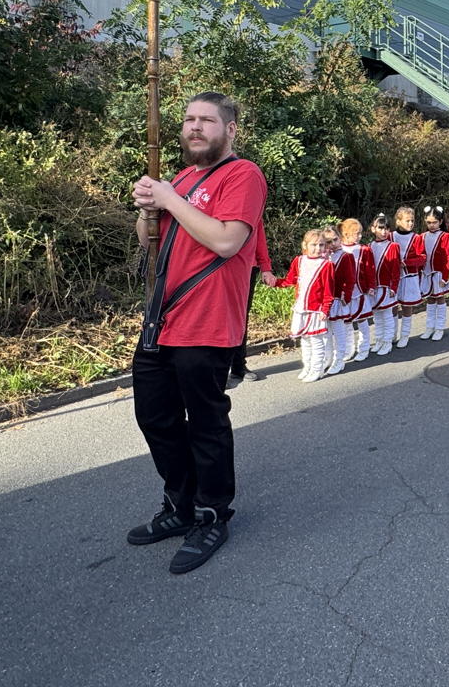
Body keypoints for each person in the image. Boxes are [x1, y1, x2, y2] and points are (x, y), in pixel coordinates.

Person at [127, 91, 268, 574]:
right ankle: (180, 505)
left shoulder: (242, 175)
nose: (194, 127)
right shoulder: (183, 178)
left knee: (206, 424)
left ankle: (211, 515)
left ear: (230, 129)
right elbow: (148, 240)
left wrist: (169, 198)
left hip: (208, 322)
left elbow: (227, 241)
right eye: (189, 119)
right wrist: (147, 206)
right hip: (161, 320)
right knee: (156, 418)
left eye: (207, 120)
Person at [227, 219, 276, 388]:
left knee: (240, 318)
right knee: (216, 317)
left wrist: (265, 267)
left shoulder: (249, 204)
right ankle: (216, 371)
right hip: (216, 265)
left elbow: (258, 232)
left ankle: (238, 366)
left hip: (247, 265)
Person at [283, 228, 334, 382]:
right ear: (305, 245)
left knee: (316, 341)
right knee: (304, 340)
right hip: (301, 307)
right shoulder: (299, 261)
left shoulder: (326, 265)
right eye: (313, 245)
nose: (317, 248)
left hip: (316, 310)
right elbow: (290, 280)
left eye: (321, 245)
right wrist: (274, 282)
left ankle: (317, 369)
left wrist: (325, 308)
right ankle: (307, 366)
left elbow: (328, 291)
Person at [338, 219, 375, 364]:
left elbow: (370, 269)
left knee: (362, 320)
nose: (359, 236)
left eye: (360, 233)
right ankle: (348, 349)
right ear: (346, 234)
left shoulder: (364, 250)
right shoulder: (338, 249)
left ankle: (364, 348)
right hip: (344, 293)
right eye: (356, 233)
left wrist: (371, 286)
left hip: (359, 291)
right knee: (346, 322)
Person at [324, 226, 357, 375]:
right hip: (326, 300)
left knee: (339, 331)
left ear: (340, 238)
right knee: (327, 332)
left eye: (335, 240)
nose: (332, 244)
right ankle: (328, 358)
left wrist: (346, 297)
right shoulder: (324, 257)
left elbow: (350, 279)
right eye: (328, 241)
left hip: (339, 299)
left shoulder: (346, 256)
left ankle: (340, 359)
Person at [391, 206, 426, 348]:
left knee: (407, 306)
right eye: (407, 221)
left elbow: (422, 258)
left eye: (412, 221)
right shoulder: (391, 236)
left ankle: (405, 335)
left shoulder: (416, 238)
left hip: (409, 276)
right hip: (393, 277)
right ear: (398, 221)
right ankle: (392, 333)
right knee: (392, 306)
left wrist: (407, 262)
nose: (410, 223)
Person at [418, 206, 449, 341]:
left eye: (434, 222)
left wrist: (445, 277)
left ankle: (440, 328)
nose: (431, 225)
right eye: (429, 222)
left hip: (438, 274)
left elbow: (447, 257)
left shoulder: (445, 236)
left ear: (440, 222)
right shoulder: (422, 236)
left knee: (440, 298)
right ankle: (429, 327)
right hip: (426, 273)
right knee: (430, 299)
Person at [368, 214, 400, 354]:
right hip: (374, 288)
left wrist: (394, 287)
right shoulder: (369, 246)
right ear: (373, 229)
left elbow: (395, 269)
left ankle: (387, 342)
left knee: (387, 315)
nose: (384, 231)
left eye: (386, 228)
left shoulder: (393, 246)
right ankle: (379, 340)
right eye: (380, 228)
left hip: (387, 287)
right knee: (377, 317)